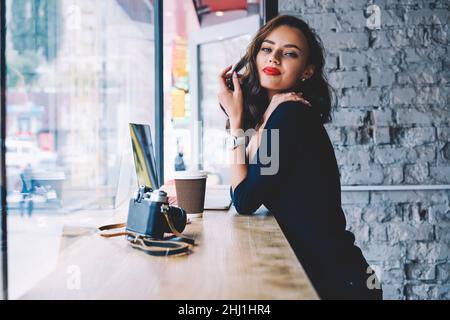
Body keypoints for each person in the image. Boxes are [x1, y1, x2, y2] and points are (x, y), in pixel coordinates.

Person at [217, 15, 382, 300]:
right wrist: (243, 121)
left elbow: (244, 200)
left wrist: (235, 122)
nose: (275, 57)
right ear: (255, 56)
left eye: (289, 53)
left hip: (341, 283)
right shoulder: (273, 115)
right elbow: (243, 190)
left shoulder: (290, 115)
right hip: (328, 275)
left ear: (307, 72)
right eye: (267, 49)